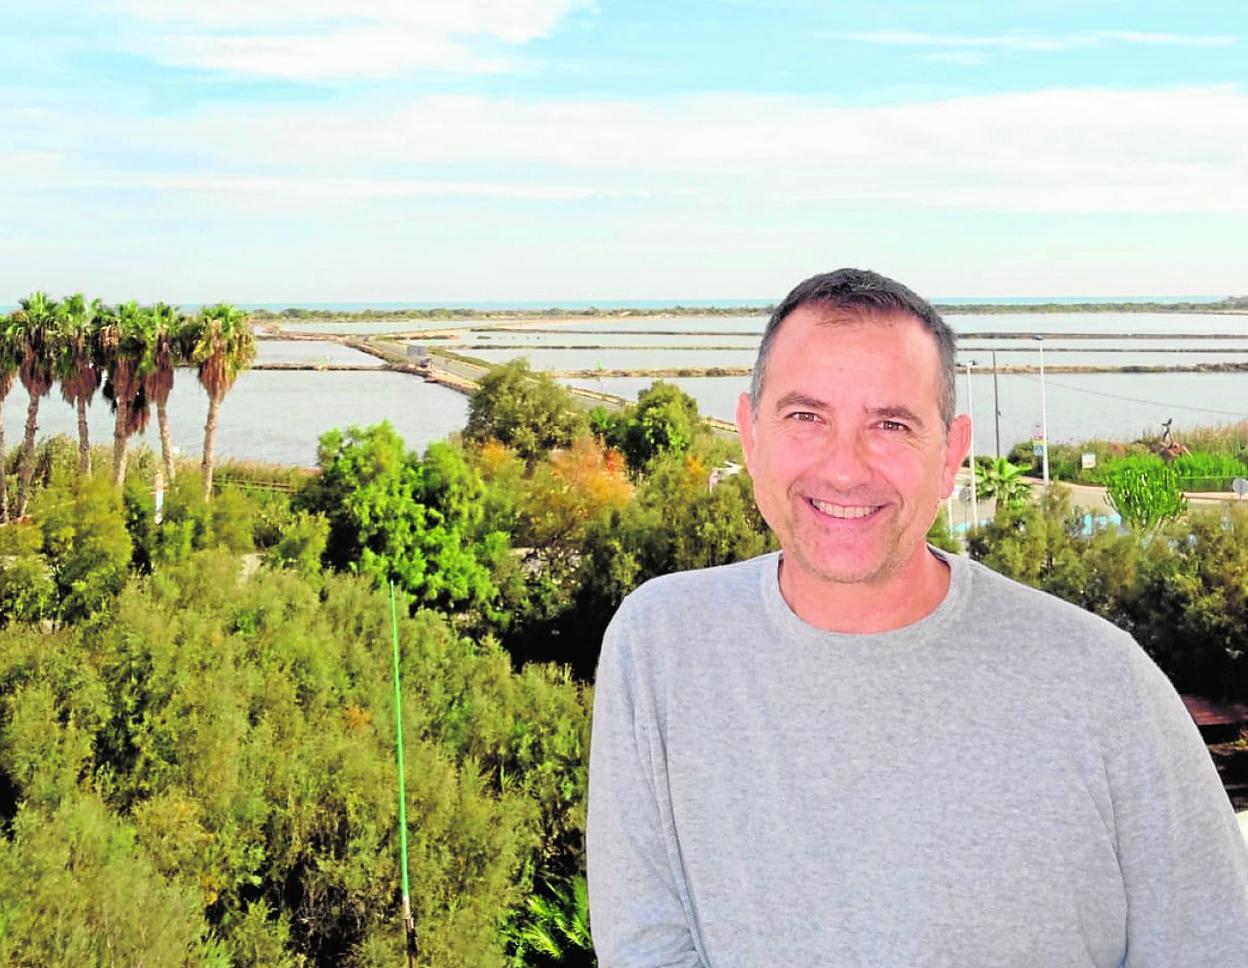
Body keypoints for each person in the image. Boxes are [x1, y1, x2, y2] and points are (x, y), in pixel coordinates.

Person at [586, 268, 1248, 967]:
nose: (845, 469)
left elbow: (1209, 944)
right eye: (806, 417)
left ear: (950, 454)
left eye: (891, 424)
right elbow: (646, 945)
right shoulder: (660, 643)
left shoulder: (1102, 684)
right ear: (750, 434)